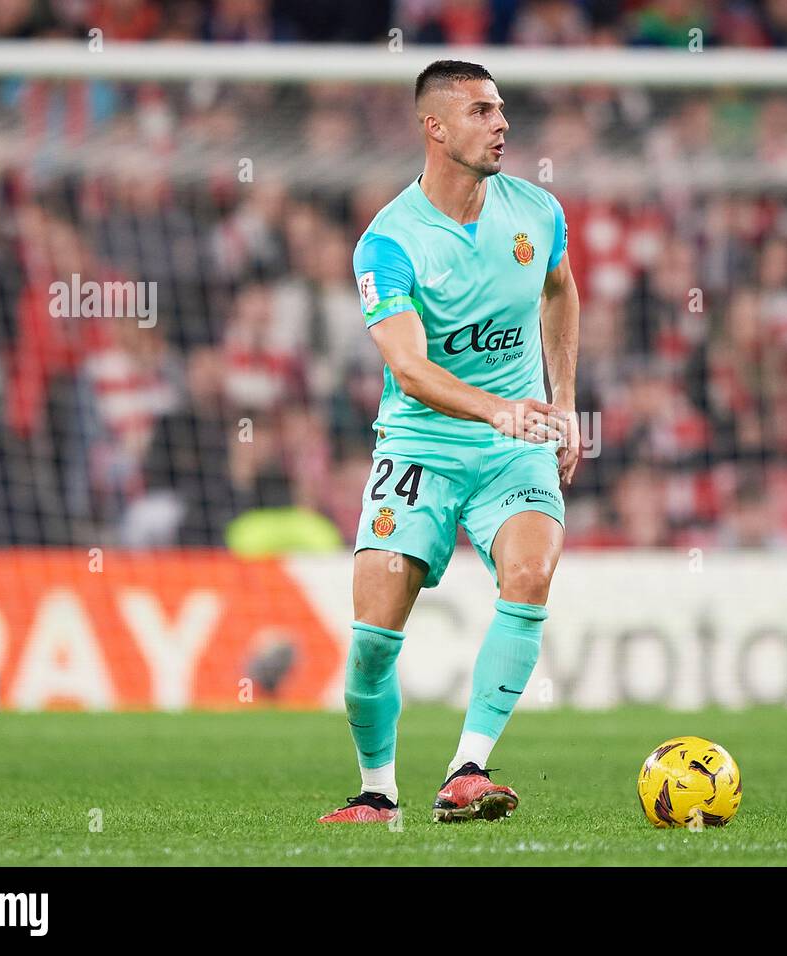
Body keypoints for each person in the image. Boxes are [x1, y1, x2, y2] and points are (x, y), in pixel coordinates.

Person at [318, 61, 580, 824]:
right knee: (371, 639)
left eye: (501, 110)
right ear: (434, 127)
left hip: (515, 445)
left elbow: (562, 290)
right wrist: (499, 407)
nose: (502, 124)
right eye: (480, 111)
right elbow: (407, 364)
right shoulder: (389, 243)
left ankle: (468, 768)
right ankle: (377, 792)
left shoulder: (537, 212)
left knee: (529, 573)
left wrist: (562, 403)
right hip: (422, 445)